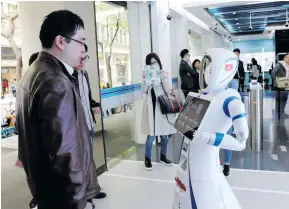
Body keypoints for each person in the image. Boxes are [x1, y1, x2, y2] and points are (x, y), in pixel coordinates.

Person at [16, 10, 99, 209]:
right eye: (80, 41)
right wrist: (78, 200)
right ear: (61, 41)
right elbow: (65, 154)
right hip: (63, 198)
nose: (83, 49)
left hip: (44, 190)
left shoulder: (32, 73)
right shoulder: (55, 82)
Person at [73, 44, 106, 202]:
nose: (82, 60)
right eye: (79, 56)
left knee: (89, 158)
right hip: (77, 125)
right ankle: (83, 194)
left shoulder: (84, 74)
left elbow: (86, 97)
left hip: (89, 123)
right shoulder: (69, 76)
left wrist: (93, 104)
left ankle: (92, 190)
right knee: (80, 161)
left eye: (85, 57)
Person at [141, 53, 176, 170]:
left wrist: (163, 78)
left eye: (155, 62)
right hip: (151, 107)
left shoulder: (163, 73)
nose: (153, 65)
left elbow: (168, 89)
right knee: (151, 135)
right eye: (151, 63)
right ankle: (147, 158)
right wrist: (146, 80)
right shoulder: (146, 75)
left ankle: (163, 156)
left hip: (161, 107)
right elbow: (144, 91)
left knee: (164, 135)